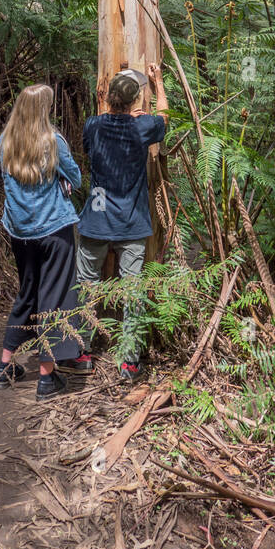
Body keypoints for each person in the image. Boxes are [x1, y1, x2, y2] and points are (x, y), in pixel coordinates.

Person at [69, 63, 169, 383]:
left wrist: (124, 116)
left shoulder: (93, 126)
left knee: (87, 285)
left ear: (108, 97)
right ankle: (128, 361)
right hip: (132, 223)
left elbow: (91, 146)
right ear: (134, 103)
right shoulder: (142, 128)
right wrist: (158, 82)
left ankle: (82, 351)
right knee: (133, 292)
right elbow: (165, 117)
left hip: (96, 220)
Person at [0, 84, 82, 401]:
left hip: (21, 233)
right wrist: (61, 178)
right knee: (54, 300)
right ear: (43, 110)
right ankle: (46, 378)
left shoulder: (5, 142)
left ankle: (4, 369)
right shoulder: (53, 142)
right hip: (54, 231)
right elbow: (77, 178)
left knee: (28, 294)